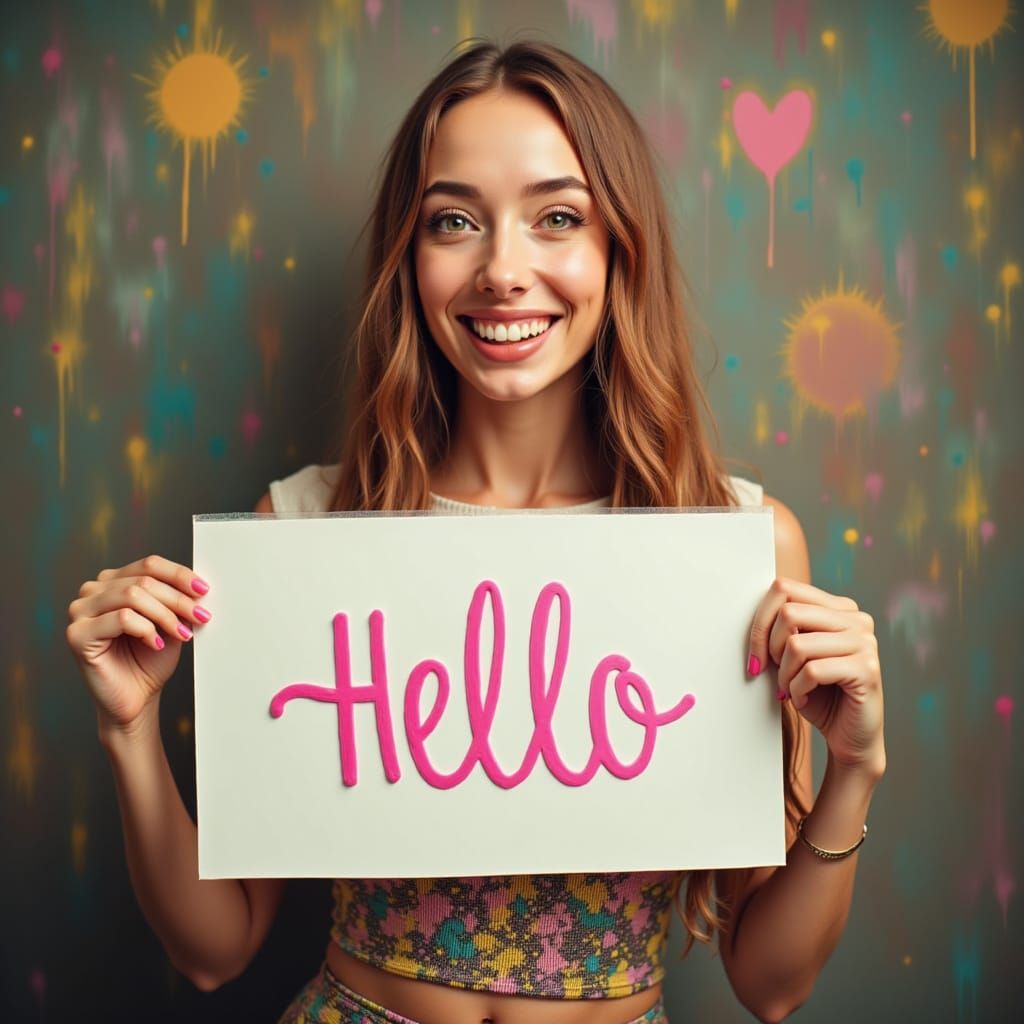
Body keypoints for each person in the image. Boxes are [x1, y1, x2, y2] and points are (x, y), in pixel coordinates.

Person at [65, 39, 886, 1024]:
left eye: (557, 218)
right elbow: (213, 949)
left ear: (616, 248)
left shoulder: (736, 544)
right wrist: (128, 728)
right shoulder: (308, 530)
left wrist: (852, 769)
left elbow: (771, 981)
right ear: (409, 260)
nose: (503, 269)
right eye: (453, 220)